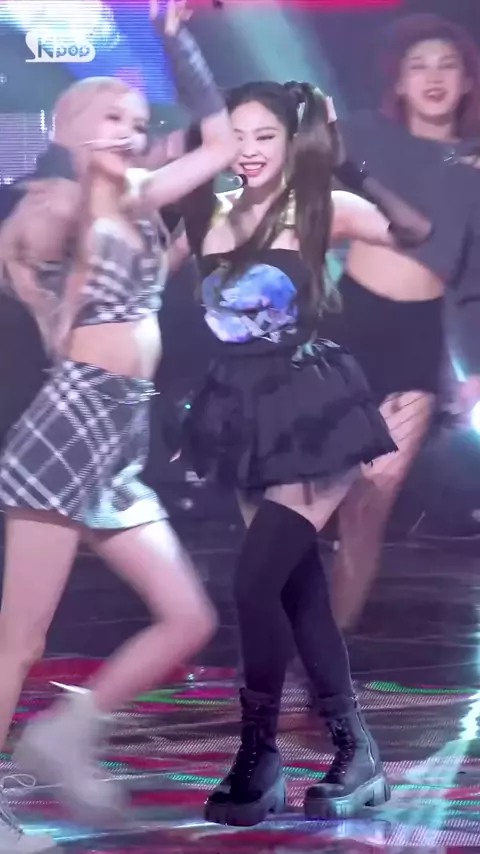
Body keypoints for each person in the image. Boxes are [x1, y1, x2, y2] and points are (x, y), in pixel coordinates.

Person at [0, 1, 238, 850]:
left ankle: (64, 735)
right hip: (69, 426)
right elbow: (38, 231)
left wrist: (181, 41)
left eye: (138, 121)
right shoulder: (73, 200)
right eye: (111, 118)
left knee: (189, 619)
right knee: (21, 637)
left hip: (120, 438)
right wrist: (37, 222)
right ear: (69, 131)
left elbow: (215, 144)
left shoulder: (137, 200)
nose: (131, 131)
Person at [169, 79, 431, 826]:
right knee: (296, 590)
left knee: (254, 584)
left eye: (266, 136)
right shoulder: (208, 215)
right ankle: (356, 752)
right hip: (241, 415)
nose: (250, 151)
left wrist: (345, 165)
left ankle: (258, 754)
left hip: (312, 408)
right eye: (237, 136)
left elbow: (413, 231)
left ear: (291, 141)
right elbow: (138, 279)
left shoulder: (318, 206)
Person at [323, 13, 480, 631]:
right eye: (419, 66)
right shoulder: (365, 134)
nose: (433, 77)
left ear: (467, 81)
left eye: (447, 65)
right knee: (303, 499)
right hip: (347, 326)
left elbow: (472, 277)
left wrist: (475, 368)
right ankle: (279, 635)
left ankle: (328, 656)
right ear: (400, 81)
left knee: (370, 508)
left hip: (418, 344)